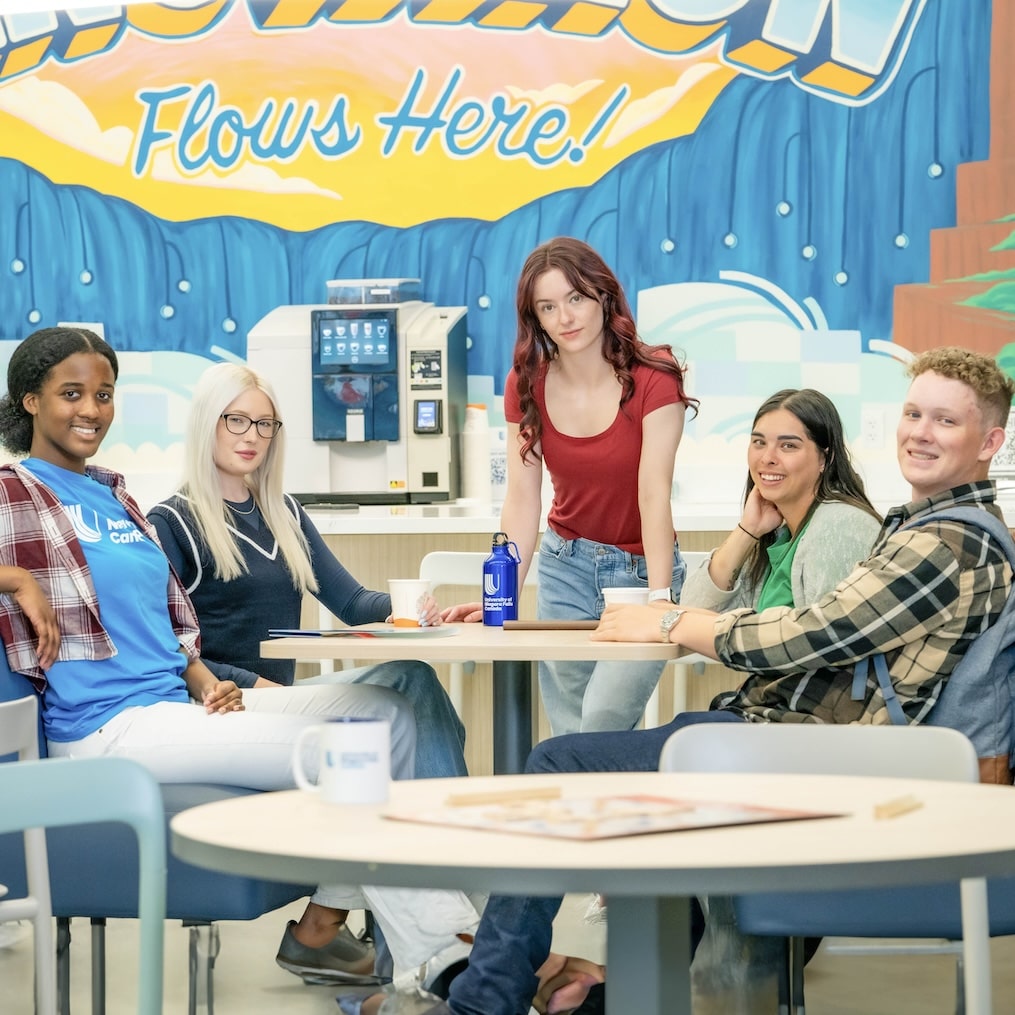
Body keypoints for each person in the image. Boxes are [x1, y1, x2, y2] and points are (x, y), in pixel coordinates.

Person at [423, 346, 1015, 1015]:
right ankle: (611, 996)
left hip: (819, 753)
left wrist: (676, 620)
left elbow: (814, 634)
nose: (918, 432)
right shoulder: (924, 529)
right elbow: (759, 615)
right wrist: (720, 564)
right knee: (655, 764)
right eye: (912, 413)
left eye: (944, 421)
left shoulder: (942, 542)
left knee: (560, 763)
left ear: (989, 441)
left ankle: (483, 1000)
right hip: (794, 738)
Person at [0, 327, 481, 993]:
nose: (91, 409)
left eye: (104, 394)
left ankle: (418, 941)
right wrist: (14, 580)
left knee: (391, 715)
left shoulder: (115, 495)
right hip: (103, 728)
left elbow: (165, 620)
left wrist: (198, 674)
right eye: (71, 394)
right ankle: (453, 955)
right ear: (29, 401)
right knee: (350, 750)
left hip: (171, 704)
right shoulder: (14, 488)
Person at [147, 361, 468, 783]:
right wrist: (255, 685)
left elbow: (351, 603)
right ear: (208, 422)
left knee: (415, 678)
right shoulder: (172, 522)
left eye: (265, 424)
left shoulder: (284, 513)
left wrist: (405, 608)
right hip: (231, 698)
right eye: (236, 420)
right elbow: (167, 647)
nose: (252, 436)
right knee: (399, 702)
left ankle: (438, 825)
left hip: (281, 693)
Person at [444, 237, 698, 735]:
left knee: (601, 722)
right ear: (535, 319)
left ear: (603, 296)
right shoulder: (527, 383)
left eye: (576, 298)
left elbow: (653, 494)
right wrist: (504, 599)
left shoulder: (654, 378)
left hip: (642, 572)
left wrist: (661, 598)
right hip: (566, 568)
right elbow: (522, 498)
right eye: (548, 306)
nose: (565, 317)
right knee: (567, 731)